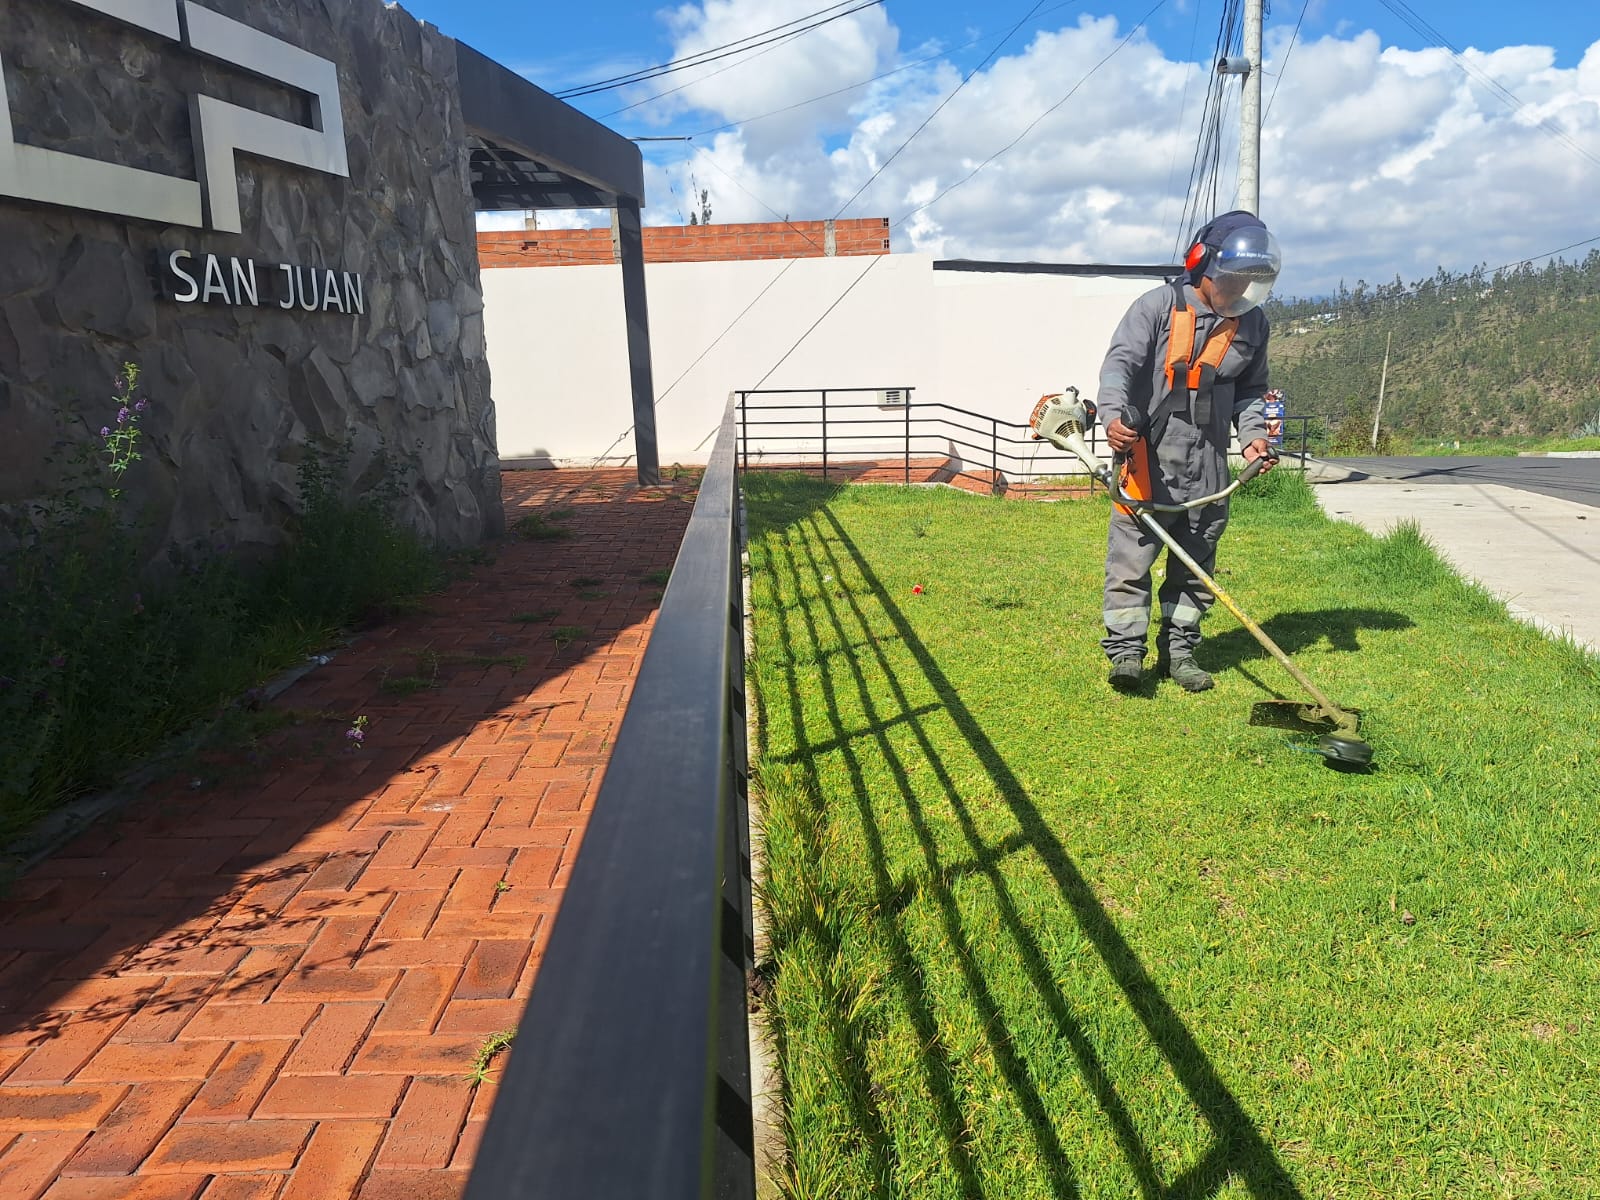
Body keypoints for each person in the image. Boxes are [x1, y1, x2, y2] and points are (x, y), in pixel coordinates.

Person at [1093, 210, 1280, 693]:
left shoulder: (1252, 323)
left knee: (1195, 568)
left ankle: (1180, 652)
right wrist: (1112, 418)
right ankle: (1126, 655)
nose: (1238, 293)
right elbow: (1119, 366)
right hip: (1146, 465)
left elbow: (1251, 390)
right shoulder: (1156, 307)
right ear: (1202, 266)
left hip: (1209, 469)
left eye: (1248, 285)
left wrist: (1254, 434)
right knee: (1130, 565)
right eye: (1231, 282)